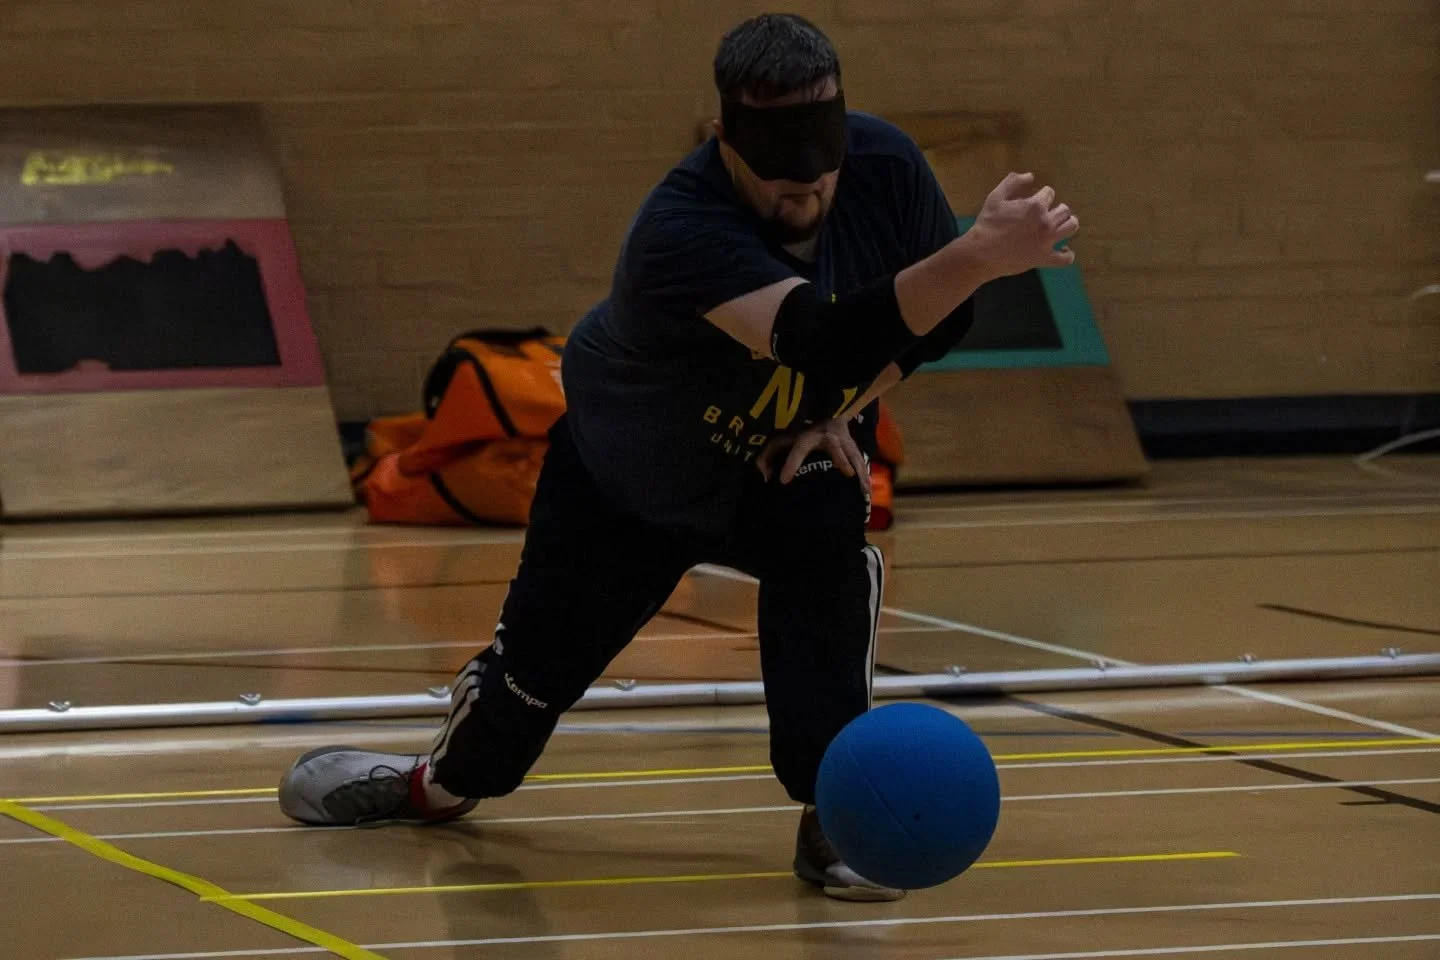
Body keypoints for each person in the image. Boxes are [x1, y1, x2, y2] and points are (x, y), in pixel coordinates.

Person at [278, 13, 1078, 903]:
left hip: (776, 455)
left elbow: (941, 319)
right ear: (725, 137)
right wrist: (975, 256)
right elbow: (814, 336)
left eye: (821, 167)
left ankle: (834, 813)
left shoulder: (885, 168)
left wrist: (839, 414)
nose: (805, 193)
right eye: (779, 173)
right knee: (529, 685)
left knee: (828, 537)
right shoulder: (679, 229)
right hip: (630, 471)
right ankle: (438, 785)